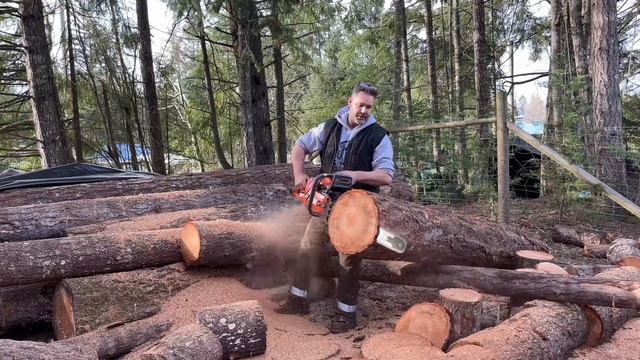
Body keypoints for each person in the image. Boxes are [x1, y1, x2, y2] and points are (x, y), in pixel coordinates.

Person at [277, 82, 395, 333]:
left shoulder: (378, 136)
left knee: (348, 257)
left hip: (358, 205)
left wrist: (354, 175)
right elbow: (300, 146)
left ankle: (346, 314)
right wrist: (299, 175)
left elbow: (386, 176)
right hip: (327, 198)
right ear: (349, 102)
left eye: (369, 107)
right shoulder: (329, 127)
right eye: (360, 105)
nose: (364, 110)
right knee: (308, 246)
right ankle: (298, 300)